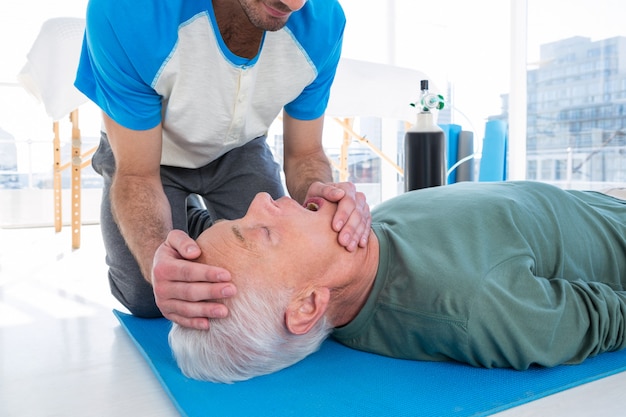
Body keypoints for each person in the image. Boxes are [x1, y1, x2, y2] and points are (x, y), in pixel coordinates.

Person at [74, 0, 371, 329]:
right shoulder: (127, 11)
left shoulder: (323, 22)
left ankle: (192, 222)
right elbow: (137, 174)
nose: (294, 3)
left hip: (239, 148)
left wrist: (320, 192)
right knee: (149, 296)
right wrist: (154, 255)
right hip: (147, 155)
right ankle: (180, 221)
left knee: (276, 279)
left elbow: (305, 155)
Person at [168, 181, 626, 383]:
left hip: (594, 200)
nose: (263, 198)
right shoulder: (473, 305)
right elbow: (606, 318)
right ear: (308, 305)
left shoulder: (355, 245)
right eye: (261, 232)